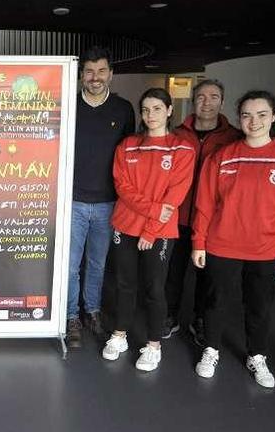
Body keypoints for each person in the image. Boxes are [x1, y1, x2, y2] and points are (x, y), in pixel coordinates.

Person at [192, 90, 275, 388]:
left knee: (259, 306)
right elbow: (204, 203)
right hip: (222, 244)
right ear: (238, 118)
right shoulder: (222, 157)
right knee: (215, 302)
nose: (253, 122)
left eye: (261, 114)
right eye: (246, 115)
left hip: (267, 249)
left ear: (274, 116)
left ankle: (257, 355)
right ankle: (211, 349)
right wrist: (198, 242)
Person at [101, 88, 194, 371]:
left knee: (155, 288)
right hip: (125, 225)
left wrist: (151, 230)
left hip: (160, 232)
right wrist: (153, 212)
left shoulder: (182, 148)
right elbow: (123, 187)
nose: (150, 115)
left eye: (156, 108)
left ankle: (154, 344)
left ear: (168, 110)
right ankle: (120, 334)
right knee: (124, 284)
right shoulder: (127, 146)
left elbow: (175, 195)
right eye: (145, 109)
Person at [67, 45, 135, 348]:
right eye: (90, 71)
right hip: (73, 201)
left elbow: (130, 156)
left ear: (111, 74)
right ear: (81, 75)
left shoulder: (123, 109)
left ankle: (92, 310)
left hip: (109, 203)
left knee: (97, 263)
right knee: (70, 265)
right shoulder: (68, 103)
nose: (96, 77)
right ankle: (71, 316)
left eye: (102, 71)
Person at [163, 79, 241, 343]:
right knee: (172, 271)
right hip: (178, 217)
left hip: (213, 221)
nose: (207, 102)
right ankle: (169, 315)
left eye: (214, 97)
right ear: (193, 100)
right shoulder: (176, 135)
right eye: (201, 97)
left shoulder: (234, 138)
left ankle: (200, 319)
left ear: (222, 101)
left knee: (208, 275)